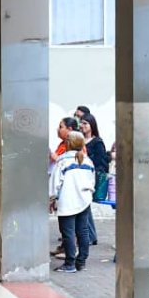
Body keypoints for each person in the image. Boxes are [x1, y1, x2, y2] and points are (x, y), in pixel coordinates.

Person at [50, 131, 96, 273]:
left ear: (67, 144)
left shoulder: (63, 162)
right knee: (82, 231)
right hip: (84, 200)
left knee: (68, 232)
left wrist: (51, 199)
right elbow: (92, 180)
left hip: (67, 201)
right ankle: (81, 261)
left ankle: (70, 263)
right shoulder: (88, 161)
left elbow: (55, 183)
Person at [49, 117, 82, 257]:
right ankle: (65, 247)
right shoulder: (62, 144)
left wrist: (52, 155)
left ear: (69, 130)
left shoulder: (77, 151)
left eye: (61, 126)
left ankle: (71, 253)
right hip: (64, 191)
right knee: (66, 225)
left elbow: (62, 164)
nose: (58, 129)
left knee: (70, 226)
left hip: (70, 191)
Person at [80, 114, 109, 246]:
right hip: (80, 177)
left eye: (86, 123)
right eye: (81, 123)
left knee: (85, 205)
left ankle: (90, 235)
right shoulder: (79, 141)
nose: (83, 126)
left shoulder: (97, 142)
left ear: (92, 125)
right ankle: (89, 235)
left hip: (92, 177)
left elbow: (102, 162)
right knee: (84, 206)